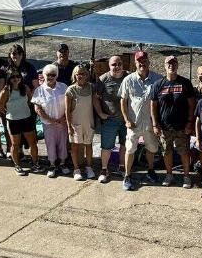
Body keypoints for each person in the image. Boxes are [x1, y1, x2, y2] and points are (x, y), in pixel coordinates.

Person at [118, 51, 162, 191]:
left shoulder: (158, 79)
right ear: (135, 63)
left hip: (150, 123)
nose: (142, 63)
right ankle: (127, 175)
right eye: (139, 61)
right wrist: (126, 120)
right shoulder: (128, 80)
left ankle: (150, 170)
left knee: (152, 148)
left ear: (149, 62)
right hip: (133, 122)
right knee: (130, 149)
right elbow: (123, 101)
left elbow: (161, 102)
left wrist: (158, 122)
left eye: (144, 61)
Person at [151, 55, 196, 189]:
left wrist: (189, 122)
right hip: (164, 126)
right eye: (168, 64)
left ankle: (187, 176)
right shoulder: (158, 84)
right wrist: (155, 124)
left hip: (182, 126)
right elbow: (153, 105)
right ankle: (169, 174)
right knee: (167, 152)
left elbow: (191, 105)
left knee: (184, 151)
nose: (171, 66)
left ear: (177, 65)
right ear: (165, 66)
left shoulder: (185, 83)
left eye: (174, 63)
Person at [93, 55, 128, 184]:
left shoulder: (128, 77)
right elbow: (95, 98)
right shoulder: (103, 79)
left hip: (126, 120)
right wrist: (100, 113)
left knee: (125, 145)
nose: (116, 67)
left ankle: (122, 166)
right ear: (109, 65)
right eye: (114, 64)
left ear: (122, 65)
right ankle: (104, 170)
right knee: (106, 147)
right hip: (109, 120)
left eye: (119, 64)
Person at [0, 72, 40, 176]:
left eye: (18, 76)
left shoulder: (25, 88)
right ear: (9, 78)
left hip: (26, 119)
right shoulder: (5, 91)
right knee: (15, 145)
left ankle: (35, 164)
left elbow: (31, 100)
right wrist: (10, 113)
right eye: (12, 77)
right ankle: (17, 165)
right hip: (13, 121)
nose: (16, 78)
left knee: (33, 143)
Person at [32, 64, 70, 178]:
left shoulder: (63, 87)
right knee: (50, 144)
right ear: (44, 75)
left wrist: (63, 118)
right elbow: (37, 108)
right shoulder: (39, 90)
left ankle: (63, 163)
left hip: (62, 122)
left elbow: (70, 103)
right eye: (48, 75)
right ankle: (52, 165)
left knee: (63, 142)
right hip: (48, 123)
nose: (51, 77)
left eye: (53, 75)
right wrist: (51, 120)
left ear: (56, 75)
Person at [65, 64, 95, 181]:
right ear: (75, 76)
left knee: (89, 145)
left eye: (83, 73)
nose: (80, 76)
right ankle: (76, 169)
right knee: (75, 146)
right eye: (78, 74)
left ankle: (88, 167)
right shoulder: (70, 90)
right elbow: (67, 110)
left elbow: (95, 103)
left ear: (87, 75)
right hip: (75, 123)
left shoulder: (91, 87)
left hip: (89, 122)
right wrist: (69, 126)